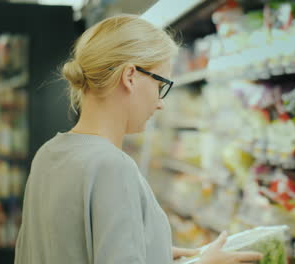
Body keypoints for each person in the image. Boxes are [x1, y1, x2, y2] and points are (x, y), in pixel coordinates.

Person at [14, 14, 263, 264]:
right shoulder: (111, 166)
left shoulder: (48, 153)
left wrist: (152, 252)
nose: (160, 103)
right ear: (130, 76)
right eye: (160, 85)